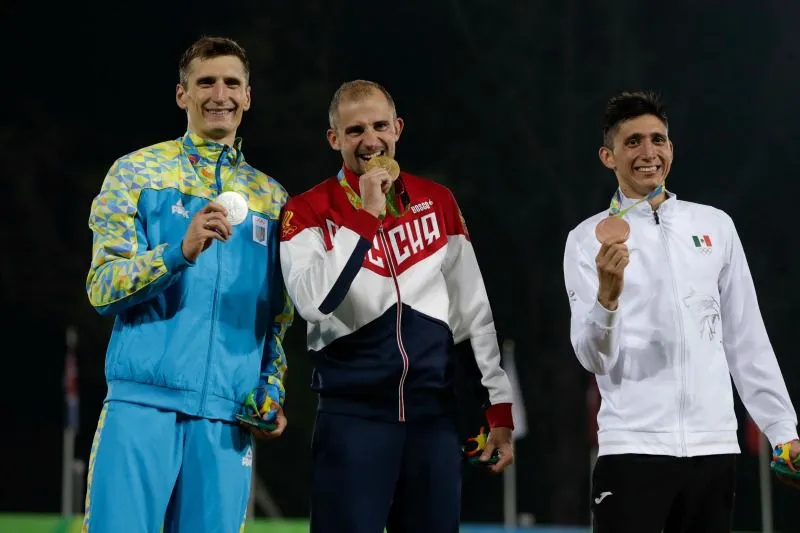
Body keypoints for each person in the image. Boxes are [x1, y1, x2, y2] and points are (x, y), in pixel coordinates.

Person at [278, 79, 515, 533]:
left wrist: (497, 407)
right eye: (354, 131)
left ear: (398, 128)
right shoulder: (306, 210)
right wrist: (365, 216)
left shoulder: (438, 201)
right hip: (353, 420)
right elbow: (313, 303)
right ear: (334, 139)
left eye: (380, 126)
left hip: (433, 422)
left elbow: (472, 315)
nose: (370, 140)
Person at [563, 90, 799, 533]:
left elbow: (746, 338)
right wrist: (607, 300)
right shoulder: (585, 239)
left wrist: (782, 428)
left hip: (713, 449)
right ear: (608, 156)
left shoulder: (714, 225)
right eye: (633, 142)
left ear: (671, 147)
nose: (648, 152)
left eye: (658, 139)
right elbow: (592, 358)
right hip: (632, 449)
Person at [83, 36, 293, 533]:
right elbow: (102, 286)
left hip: (225, 422)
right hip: (141, 407)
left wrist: (271, 387)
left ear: (247, 96)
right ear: (183, 95)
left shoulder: (274, 199)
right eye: (206, 82)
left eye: (231, 83)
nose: (219, 93)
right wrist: (178, 253)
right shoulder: (136, 172)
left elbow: (278, 318)